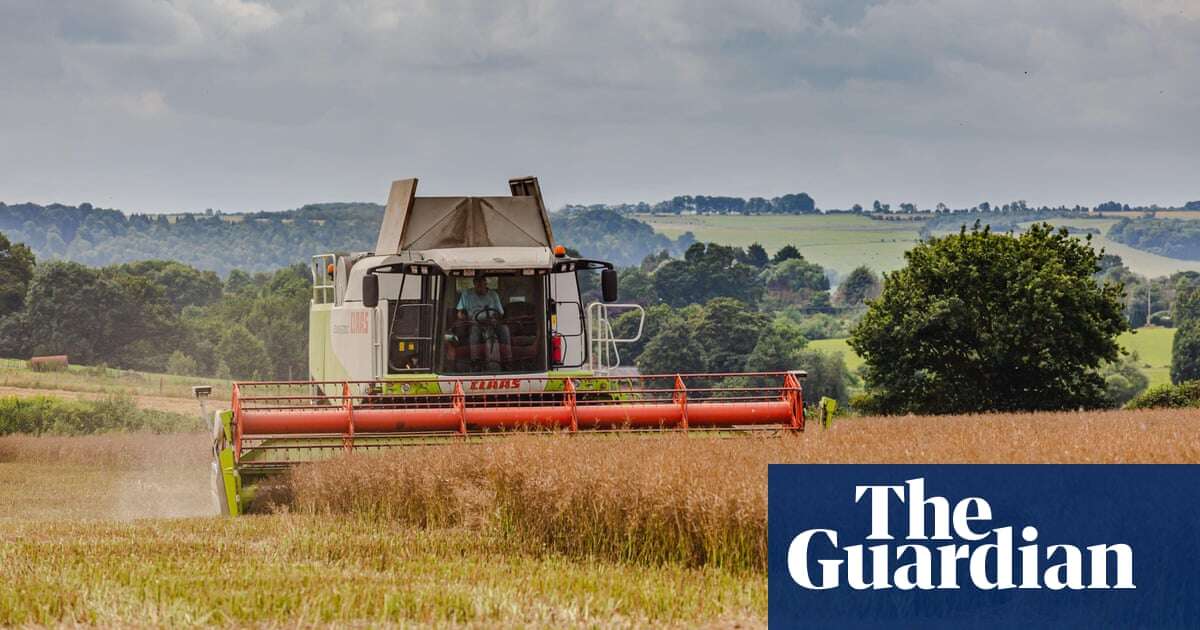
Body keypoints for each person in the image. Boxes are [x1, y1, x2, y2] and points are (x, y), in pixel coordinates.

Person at [456, 275, 512, 368]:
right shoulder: (466, 294)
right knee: (474, 333)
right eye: (478, 285)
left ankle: (508, 360)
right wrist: (464, 319)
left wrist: (495, 318)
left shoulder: (493, 295)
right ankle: (475, 361)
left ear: (486, 284)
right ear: (474, 284)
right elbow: (459, 312)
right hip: (475, 323)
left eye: (482, 285)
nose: (480, 288)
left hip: (492, 322)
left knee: (504, 329)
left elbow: (500, 313)